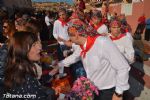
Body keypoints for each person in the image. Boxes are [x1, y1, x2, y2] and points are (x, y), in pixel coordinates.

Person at [58, 19, 130, 100]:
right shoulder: (82, 46)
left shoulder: (102, 42)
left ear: (76, 34)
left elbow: (123, 67)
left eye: (70, 35)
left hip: (108, 90)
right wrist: (60, 64)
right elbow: (75, 56)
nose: (69, 39)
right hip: (94, 89)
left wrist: (118, 93)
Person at [2, 31, 55, 100]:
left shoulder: (19, 69)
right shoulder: (24, 79)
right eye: (34, 45)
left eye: (38, 42)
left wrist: (51, 73)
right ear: (22, 49)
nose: (40, 48)